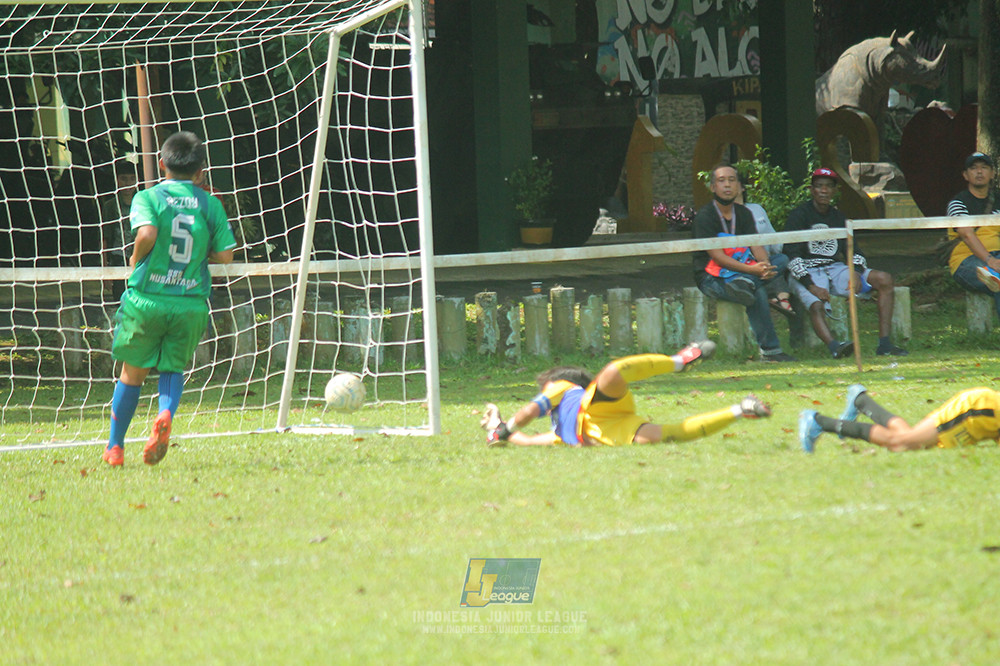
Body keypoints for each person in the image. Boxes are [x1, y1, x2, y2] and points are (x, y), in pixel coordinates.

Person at [103, 131, 237, 467]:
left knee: (132, 373)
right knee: (172, 368)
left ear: (162, 164)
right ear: (200, 172)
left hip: (148, 298)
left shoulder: (148, 197)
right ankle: (164, 413)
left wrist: (136, 258)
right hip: (189, 302)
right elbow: (225, 255)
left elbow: (146, 233)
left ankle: (115, 448)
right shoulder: (211, 203)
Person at [479, 340, 772, 447]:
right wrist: (497, 427)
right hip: (608, 429)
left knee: (614, 371)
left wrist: (504, 429)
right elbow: (526, 440)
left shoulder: (564, 387)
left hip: (594, 408)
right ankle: (740, 410)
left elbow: (528, 414)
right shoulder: (559, 434)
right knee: (671, 434)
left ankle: (679, 361)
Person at [785, 167, 908, 359]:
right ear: (811, 190)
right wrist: (811, 285)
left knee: (884, 279)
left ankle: (884, 344)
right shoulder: (798, 216)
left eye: (828, 187)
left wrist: (856, 272)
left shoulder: (839, 217)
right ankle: (835, 347)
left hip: (836, 269)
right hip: (807, 271)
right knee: (816, 304)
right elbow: (791, 256)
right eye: (819, 186)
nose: (823, 191)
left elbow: (854, 250)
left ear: (835, 191)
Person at [692, 164, 796, 362]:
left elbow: (756, 245)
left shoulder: (744, 213)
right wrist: (752, 270)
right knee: (757, 292)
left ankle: (745, 282)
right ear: (713, 187)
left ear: (739, 186)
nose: (727, 185)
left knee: (780, 260)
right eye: (721, 181)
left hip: (746, 273)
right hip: (712, 278)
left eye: (732, 180)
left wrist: (764, 265)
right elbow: (717, 256)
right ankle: (771, 352)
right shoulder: (705, 216)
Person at [800, 384, 1000, 453]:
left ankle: (861, 401)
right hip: (979, 410)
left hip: (985, 420)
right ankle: (819, 422)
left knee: (907, 440)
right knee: (901, 443)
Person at [735, 171, 795, 318]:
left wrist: (790, 252)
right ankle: (782, 298)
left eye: (733, 181)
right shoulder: (724, 214)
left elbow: (773, 238)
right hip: (744, 264)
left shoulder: (757, 209)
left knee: (783, 260)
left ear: (743, 187)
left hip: (766, 261)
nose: (729, 185)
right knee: (769, 270)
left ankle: (773, 295)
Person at [945, 152, 1000, 312]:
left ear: (992, 174)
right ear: (965, 175)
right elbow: (967, 235)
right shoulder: (958, 203)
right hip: (966, 261)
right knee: (997, 280)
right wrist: (990, 260)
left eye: (984, 167)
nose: (979, 172)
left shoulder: (998, 201)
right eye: (974, 168)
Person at [100, 161, 139, 301]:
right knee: (120, 301)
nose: (128, 183)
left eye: (132, 178)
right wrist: (105, 271)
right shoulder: (110, 206)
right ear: (117, 180)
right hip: (119, 259)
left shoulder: (143, 202)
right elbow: (104, 237)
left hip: (140, 256)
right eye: (124, 179)